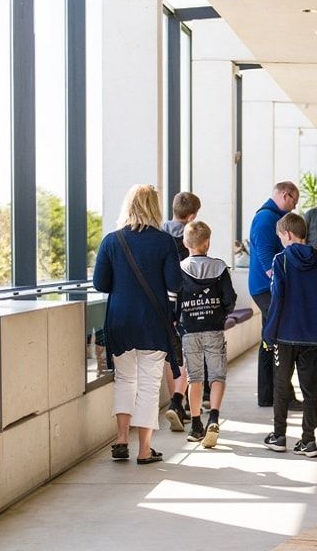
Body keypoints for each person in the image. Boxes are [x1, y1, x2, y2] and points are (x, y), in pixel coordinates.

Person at [93, 184, 182, 465]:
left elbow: (100, 283)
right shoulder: (165, 242)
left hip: (119, 321)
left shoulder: (112, 241)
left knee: (124, 380)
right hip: (152, 323)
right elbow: (175, 284)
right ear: (155, 207)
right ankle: (144, 450)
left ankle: (121, 440)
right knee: (149, 385)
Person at [262, 213, 317, 457]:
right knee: (310, 390)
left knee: (280, 386)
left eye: (280, 236)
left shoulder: (281, 260)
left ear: (288, 234)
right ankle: (308, 440)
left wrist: (269, 334)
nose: (280, 241)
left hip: (285, 335)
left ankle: (279, 436)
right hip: (312, 336)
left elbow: (277, 298)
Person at [175, 221, 236, 448]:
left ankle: (195, 425)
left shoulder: (179, 269)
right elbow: (229, 299)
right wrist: (222, 314)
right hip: (214, 329)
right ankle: (214, 418)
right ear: (207, 242)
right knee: (217, 376)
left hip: (190, 330)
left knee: (195, 378)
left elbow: (175, 301)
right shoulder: (219, 267)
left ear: (185, 243)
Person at [249, 181, 302, 409]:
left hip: (267, 288)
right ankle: (283, 396)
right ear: (285, 195)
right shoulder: (266, 218)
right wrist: (278, 279)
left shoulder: (273, 217)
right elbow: (265, 255)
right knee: (282, 340)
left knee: (270, 341)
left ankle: (268, 395)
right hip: (266, 289)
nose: (294, 207)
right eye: (294, 201)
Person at [161, 191, 202, 431]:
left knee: (171, 356)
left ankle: (176, 404)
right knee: (188, 355)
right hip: (186, 304)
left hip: (163, 303)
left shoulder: (160, 234)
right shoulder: (192, 237)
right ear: (192, 215)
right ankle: (179, 402)